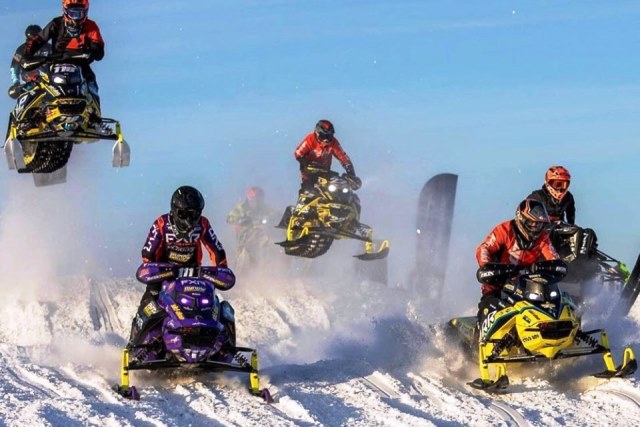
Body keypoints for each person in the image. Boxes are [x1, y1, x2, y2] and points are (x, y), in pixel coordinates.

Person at [127, 186, 234, 347]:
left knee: (212, 303)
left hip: (193, 273)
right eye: (184, 214)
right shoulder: (161, 223)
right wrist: (154, 270)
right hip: (163, 273)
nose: (189, 220)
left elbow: (216, 249)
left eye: (194, 214)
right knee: (150, 302)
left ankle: (221, 344)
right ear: (175, 210)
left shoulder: (203, 224)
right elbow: (148, 252)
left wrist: (221, 269)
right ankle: (136, 343)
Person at [475, 199, 561, 329]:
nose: (535, 227)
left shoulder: (543, 237)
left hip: (527, 286)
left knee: (554, 304)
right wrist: (487, 267)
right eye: (531, 223)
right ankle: (478, 336)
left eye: (538, 224)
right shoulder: (504, 230)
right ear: (521, 219)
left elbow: (553, 257)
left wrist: (554, 267)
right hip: (498, 282)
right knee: (488, 308)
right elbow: (484, 248)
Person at [24, 0, 104, 106]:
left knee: (91, 85)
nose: (76, 18)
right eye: (72, 13)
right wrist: (27, 54)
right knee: (38, 84)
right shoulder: (56, 23)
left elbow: (99, 50)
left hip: (80, 64)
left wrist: (92, 51)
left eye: (79, 13)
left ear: (85, 12)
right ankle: (28, 110)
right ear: (65, 11)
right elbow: (39, 39)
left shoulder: (91, 26)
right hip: (56, 62)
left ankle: (94, 113)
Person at [8, 24, 50, 99]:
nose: (36, 39)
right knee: (14, 93)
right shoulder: (21, 50)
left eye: (39, 36)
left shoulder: (49, 47)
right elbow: (14, 67)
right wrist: (16, 83)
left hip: (49, 80)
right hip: (29, 83)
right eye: (34, 37)